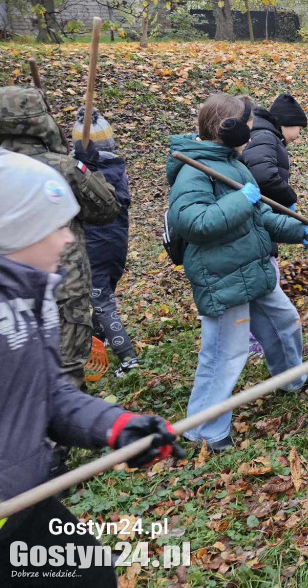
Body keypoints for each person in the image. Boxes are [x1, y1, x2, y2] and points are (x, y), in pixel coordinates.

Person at [0, 150, 183, 588]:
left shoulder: (35, 296)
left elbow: (47, 396)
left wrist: (119, 427)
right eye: (59, 226)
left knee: (91, 570)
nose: (69, 240)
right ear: (19, 230)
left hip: (25, 498)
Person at [167, 92, 308, 452]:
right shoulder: (193, 171)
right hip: (223, 275)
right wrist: (242, 199)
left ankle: (291, 377)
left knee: (284, 321)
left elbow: (258, 216)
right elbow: (194, 223)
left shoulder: (231, 162)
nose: (254, 130)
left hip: (251, 265)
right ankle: (204, 428)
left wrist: (298, 229)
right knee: (225, 351)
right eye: (249, 123)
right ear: (230, 127)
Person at [0, 86, 120, 389]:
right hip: (64, 282)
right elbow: (106, 208)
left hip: (9, 291)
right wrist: (89, 169)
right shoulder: (63, 167)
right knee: (65, 372)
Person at [71, 108, 139, 378]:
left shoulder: (91, 174)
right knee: (103, 294)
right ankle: (99, 337)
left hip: (96, 246)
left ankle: (129, 360)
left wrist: (82, 166)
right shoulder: (115, 166)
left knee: (101, 300)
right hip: (115, 245)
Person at [242, 93, 308, 358]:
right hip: (252, 218)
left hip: (259, 216)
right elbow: (263, 176)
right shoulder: (265, 136)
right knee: (265, 277)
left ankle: (260, 340)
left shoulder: (266, 135)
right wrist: (289, 199)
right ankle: (256, 341)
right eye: (298, 129)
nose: (298, 136)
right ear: (285, 123)